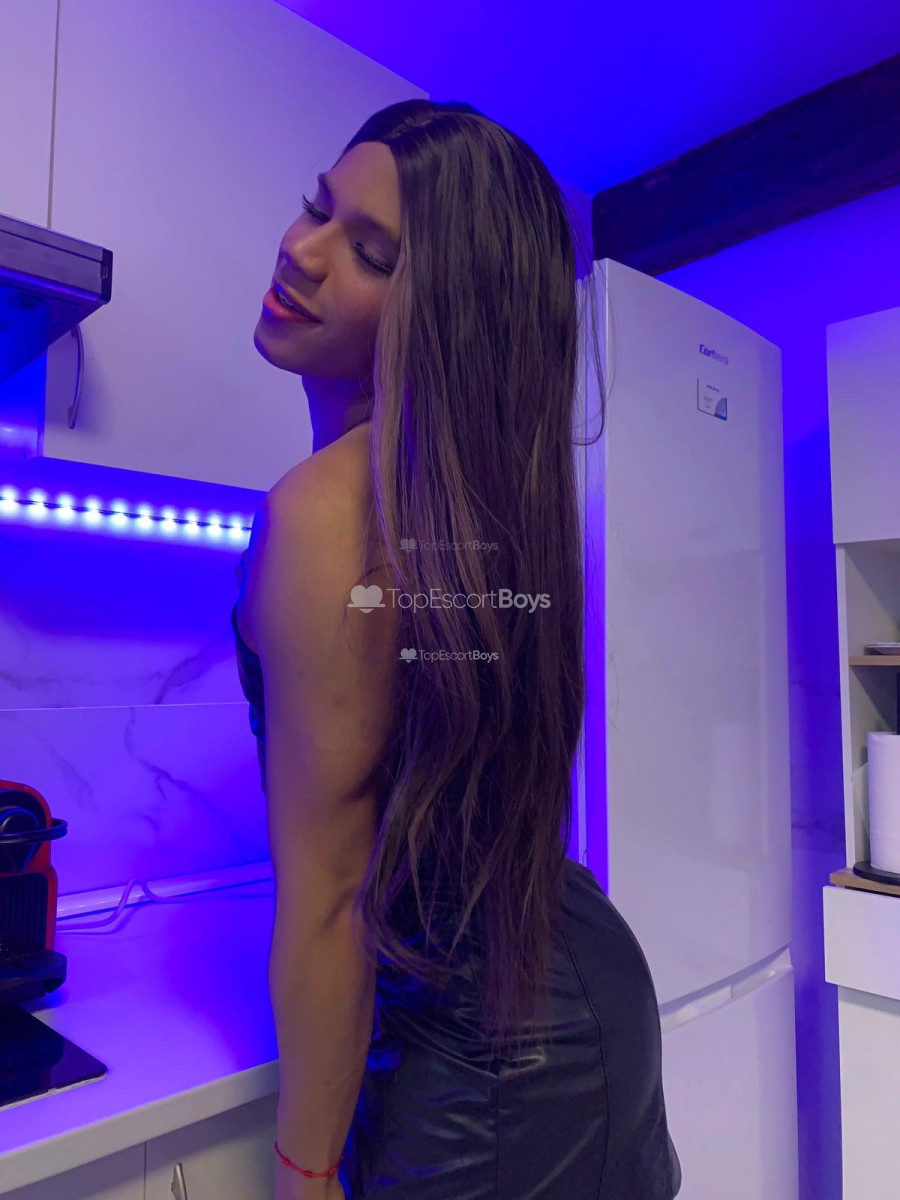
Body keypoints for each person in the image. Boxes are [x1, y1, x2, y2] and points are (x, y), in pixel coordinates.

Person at [233, 98, 682, 1200]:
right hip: (573, 994)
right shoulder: (466, 502)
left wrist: (301, 1174)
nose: (302, 250)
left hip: (490, 1061)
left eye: (370, 253)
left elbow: (331, 896)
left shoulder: (328, 514)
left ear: (446, 319)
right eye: (316, 209)